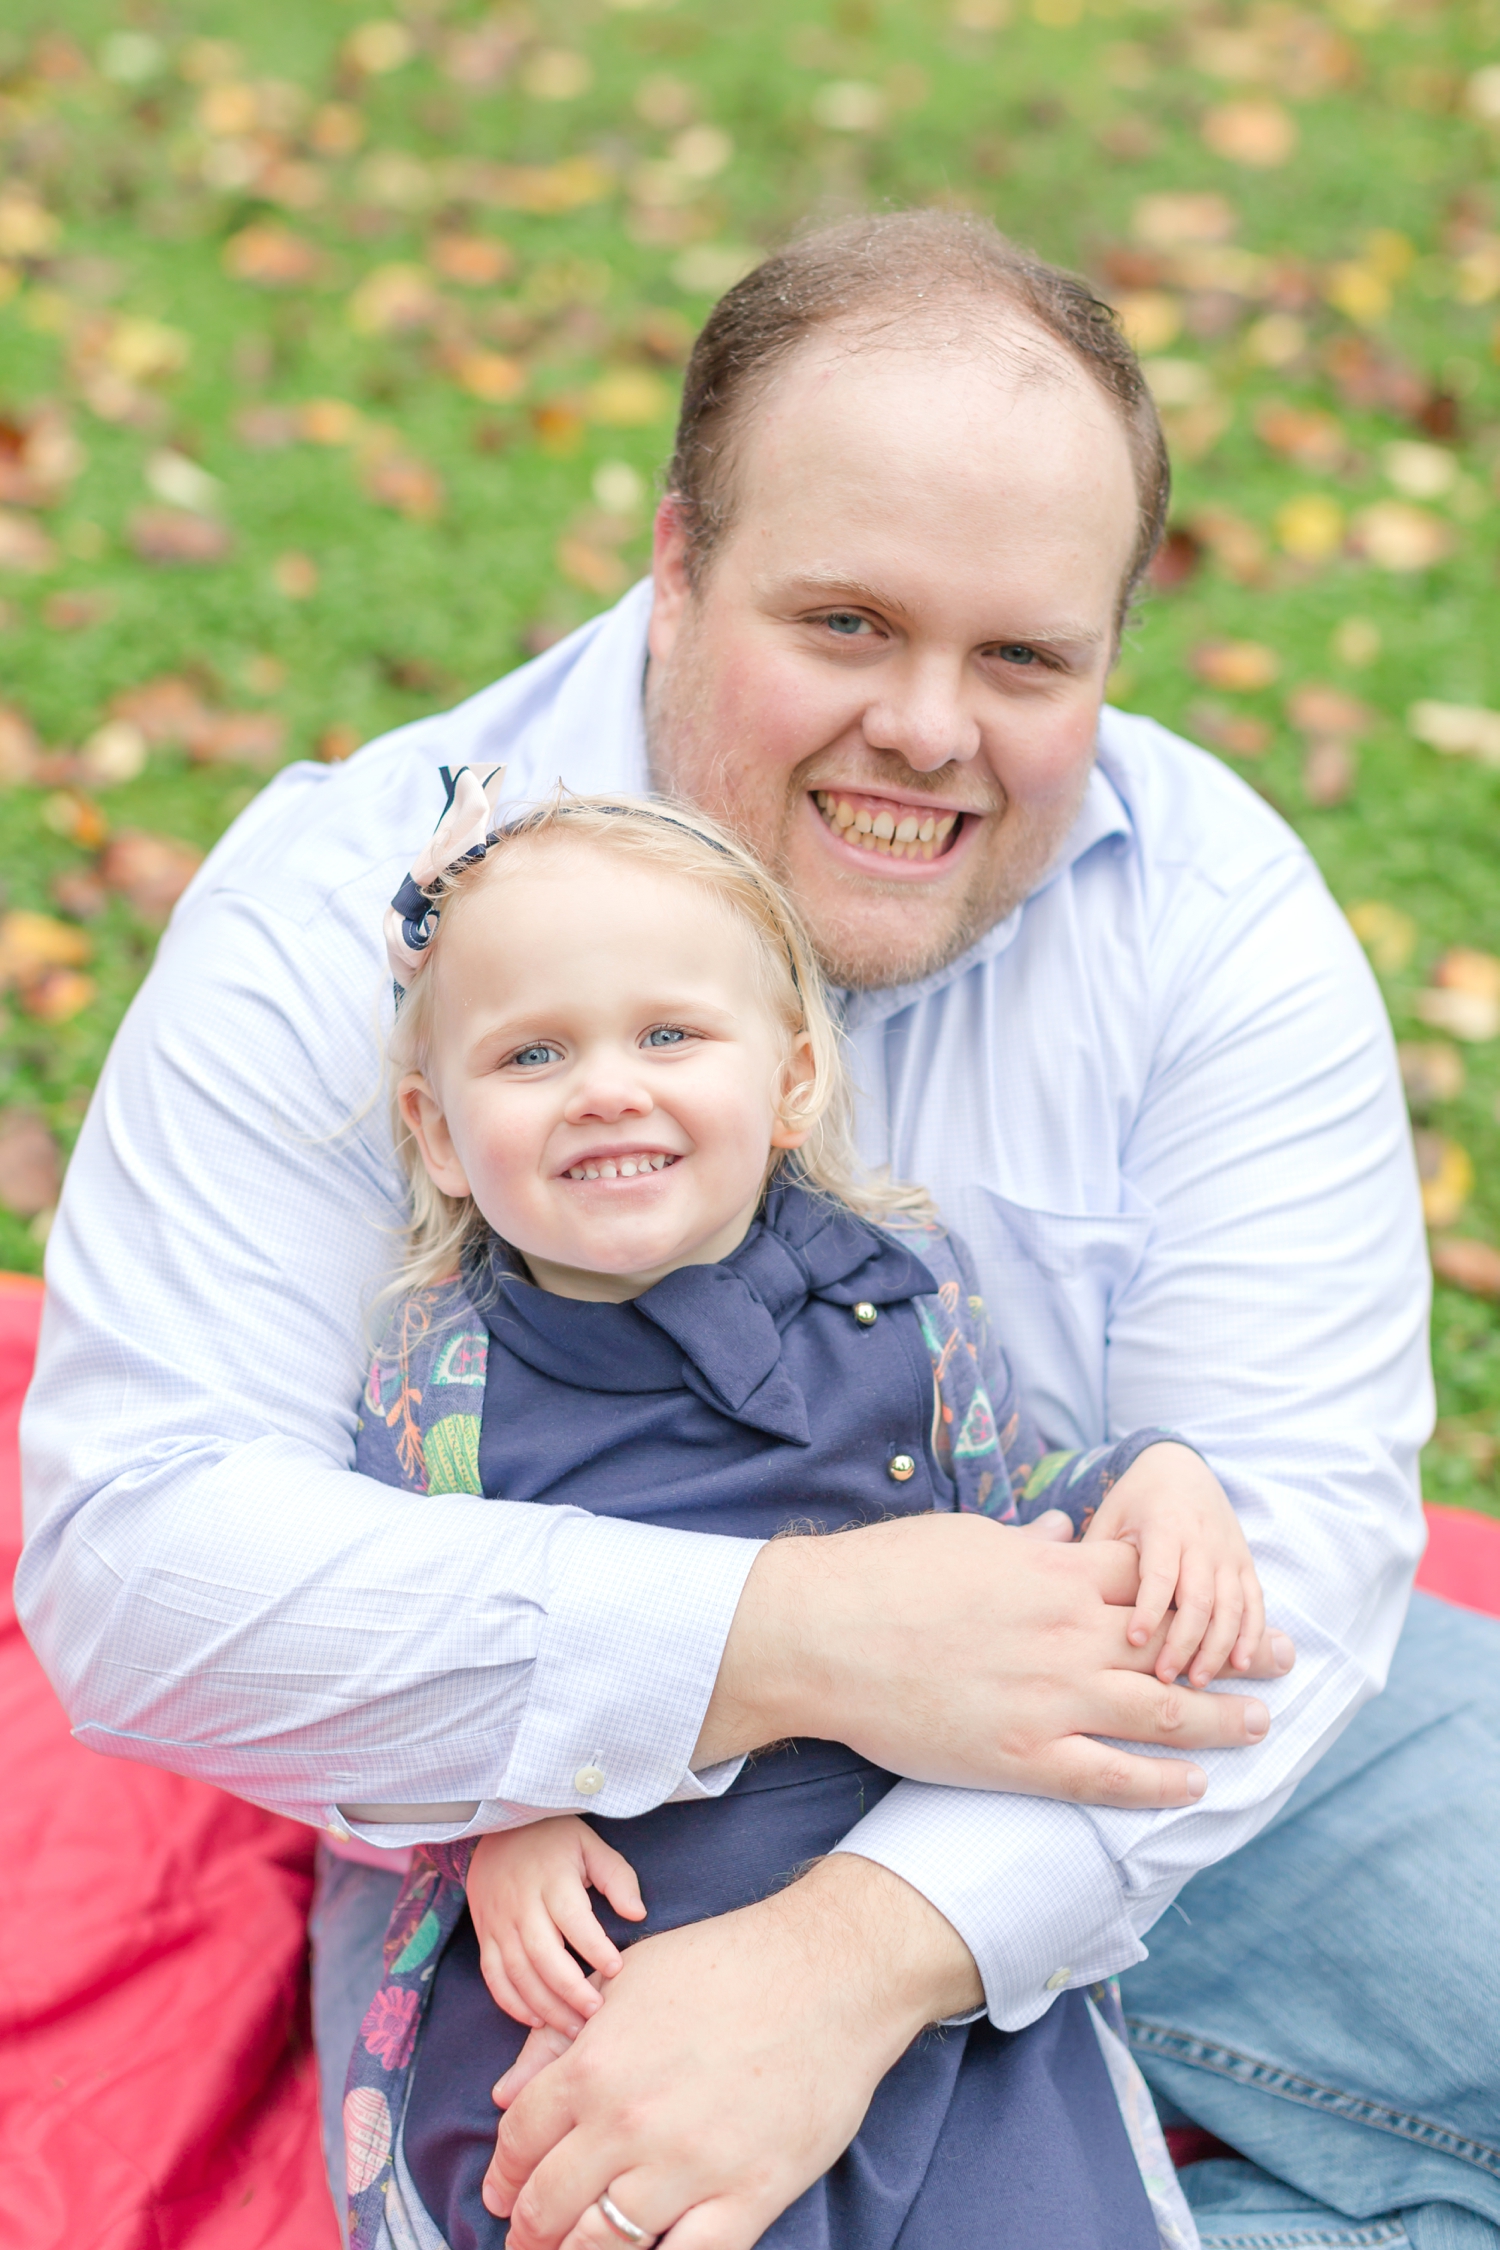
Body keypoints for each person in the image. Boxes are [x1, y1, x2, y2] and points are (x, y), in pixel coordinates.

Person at [19, 209, 1483, 2250]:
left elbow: (1299, 1540)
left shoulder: (1214, 917)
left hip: (1148, 1749)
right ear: (680, 562)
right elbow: (138, 1567)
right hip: (577, 1838)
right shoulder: (348, 907)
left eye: (1026, 658)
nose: (931, 732)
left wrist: (859, 1959)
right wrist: (797, 1641)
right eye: (849, 626)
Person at [342, 779, 1271, 2249]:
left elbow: (1013, 1507)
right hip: (619, 1918)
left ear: (786, 1081)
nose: (606, 1085)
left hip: (898, 1864)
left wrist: (1149, 1476)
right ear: (440, 1131)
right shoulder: (446, 1381)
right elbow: (402, 1652)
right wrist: (498, 1818)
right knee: (594, 2189)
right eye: (532, 1052)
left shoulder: (897, 1298)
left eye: (667, 1035)